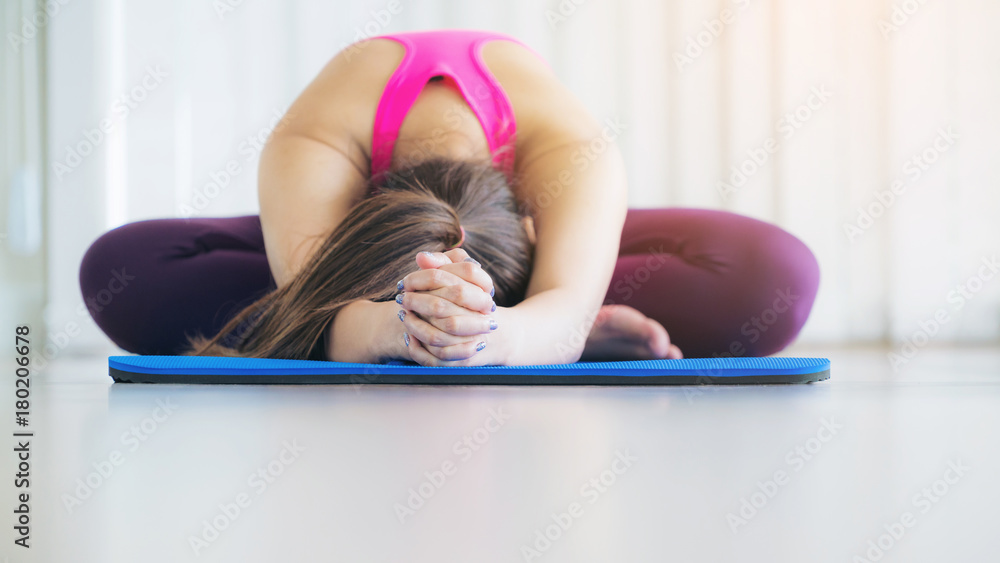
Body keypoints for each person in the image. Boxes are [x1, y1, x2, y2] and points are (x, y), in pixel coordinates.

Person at [78, 29, 820, 366]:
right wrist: (397, 330)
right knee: (129, 267)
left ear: (534, 222)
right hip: (347, 244)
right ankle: (561, 307)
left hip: (514, 223)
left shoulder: (573, 154)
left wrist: (494, 337)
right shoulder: (312, 145)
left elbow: (776, 280)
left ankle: (554, 300)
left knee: (774, 279)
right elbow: (325, 305)